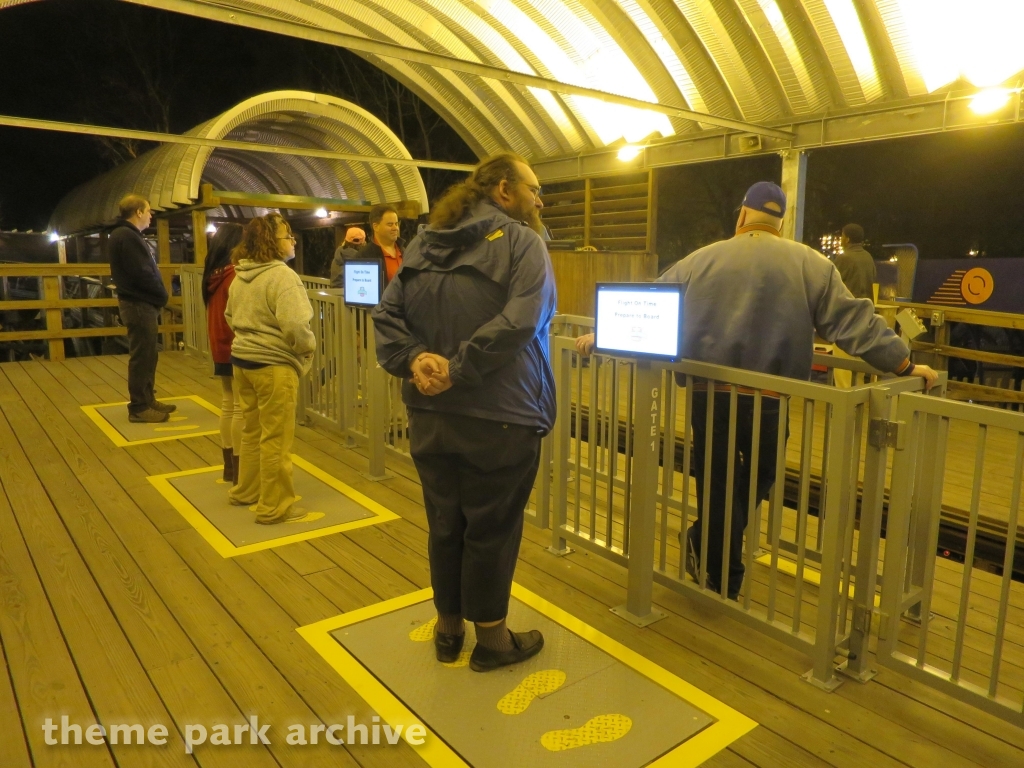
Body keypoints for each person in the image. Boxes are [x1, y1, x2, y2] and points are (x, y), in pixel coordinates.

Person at [577, 182, 937, 600]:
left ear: (742, 215)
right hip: (771, 397)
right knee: (762, 475)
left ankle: (716, 570)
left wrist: (600, 332)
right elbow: (853, 323)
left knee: (716, 481)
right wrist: (905, 364)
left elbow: (650, 306)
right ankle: (719, 568)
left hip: (709, 394)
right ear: (780, 223)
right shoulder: (810, 263)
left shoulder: (700, 259)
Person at [372, 153, 555, 672]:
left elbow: (386, 316)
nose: (539, 200)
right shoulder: (524, 244)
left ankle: (448, 630)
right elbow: (523, 320)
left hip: (430, 414)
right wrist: (459, 367)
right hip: (502, 414)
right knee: (491, 528)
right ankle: (493, 642)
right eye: (534, 188)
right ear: (503, 191)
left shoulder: (423, 245)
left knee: (445, 522)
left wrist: (416, 360)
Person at [225, 213, 316, 525]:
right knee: (276, 438)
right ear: (272, 243)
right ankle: (274, 506)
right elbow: (294, 324)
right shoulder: (282, 276)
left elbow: (229, 315)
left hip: (243, 362)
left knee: (252, 431)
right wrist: (307, 349)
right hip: (274, 365)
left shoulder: (240, 274)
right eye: (286, 236)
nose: (292, 241)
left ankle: (246, 492)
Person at [109, 194, 174, 423]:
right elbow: (142, 274)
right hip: (138, 304)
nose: (150, 215)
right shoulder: (127, 236)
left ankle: (147, 399)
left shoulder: (125, 235)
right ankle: (138, 407)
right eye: (148, 210)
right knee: (142, 356)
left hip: (141, 303)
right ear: (138, 212)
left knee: (149, 354)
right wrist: (162, 296)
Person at [201, 223, 245, 482]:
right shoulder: (235, 275)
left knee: (228, 405)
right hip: (235, 344)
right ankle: (241, 471)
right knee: (240, 409)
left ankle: (230, 468)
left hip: (219, 344)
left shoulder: (213, 273)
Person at [831, 223, 878, 386]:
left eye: (842, 235)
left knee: (843, 370)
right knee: (858, 367)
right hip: (865, 318)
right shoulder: (868, 258)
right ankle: (857, 406)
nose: (841, 239)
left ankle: (843, 409)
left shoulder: (844, 258)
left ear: (848, 238)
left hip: (846, 320)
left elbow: (832, 286)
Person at [362, 204, 403, 286]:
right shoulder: (364, 256)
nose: (395, 228)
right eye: (390, 224)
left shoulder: (406, 251)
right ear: (376, 227)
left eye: (396, 224)